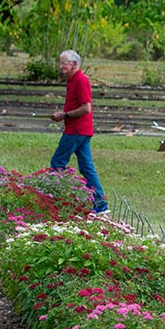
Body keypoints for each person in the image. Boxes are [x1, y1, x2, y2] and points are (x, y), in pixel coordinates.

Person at [49, 50, 108, 213]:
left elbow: (86, 108)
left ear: (75, 64)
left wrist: (65, 115)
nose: (61, 66)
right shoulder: (72, 80)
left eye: (64, 63)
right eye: (60, 63)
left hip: (76, 130)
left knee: (57, 163)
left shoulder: (81, 80)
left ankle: (57, 200)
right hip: (81, 130)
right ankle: (101, 205)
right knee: (86, 167)